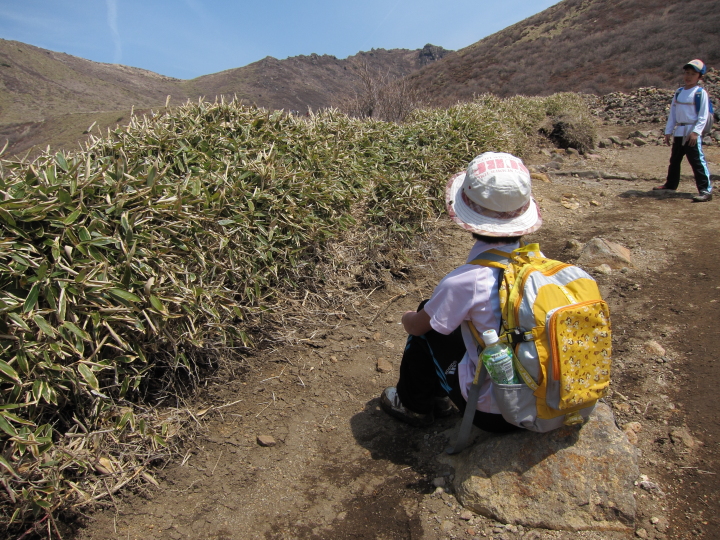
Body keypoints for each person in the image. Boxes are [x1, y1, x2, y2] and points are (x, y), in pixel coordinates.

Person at [380, 152, 542, 432]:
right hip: (550, 399)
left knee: (426, 316)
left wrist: (408, 317)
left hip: (502, 415)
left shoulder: (465, 281)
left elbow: (418, 328)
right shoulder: (541, 267)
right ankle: (440, 393)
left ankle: (414, 404)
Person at [654, 59, 713, 202]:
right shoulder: (679, 92)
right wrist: (668, 131)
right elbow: (673, 113)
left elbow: (703, 115)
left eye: (693, 74)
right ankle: (671, 184)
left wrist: (696, 132)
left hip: (691, 132)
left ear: (699, 77)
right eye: (687, 73)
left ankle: (706, 189)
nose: (688, 76)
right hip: (680, 131)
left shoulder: (700, 93)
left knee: (697, 161)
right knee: (674, 160)